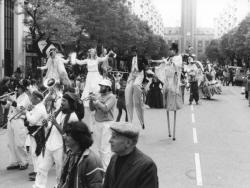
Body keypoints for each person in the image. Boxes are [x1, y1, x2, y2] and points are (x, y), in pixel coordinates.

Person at [33, 92, 82, 188]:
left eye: (64, 101)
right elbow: (51, 128)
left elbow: (68, 134)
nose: (62, 103)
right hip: (49, 144)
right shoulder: (59, 111)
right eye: (62, 100)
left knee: (60, 172)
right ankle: (38, 186)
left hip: (60, 147)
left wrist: (55, 123)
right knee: (42, 168)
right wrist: (47, 124)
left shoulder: (73, 117)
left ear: (70, 103)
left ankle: (59, 186)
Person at [103, 122, 158, 188]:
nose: (110, 140)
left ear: (128, 143)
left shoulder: (146, 166)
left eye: (114, 137)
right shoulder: (114, 159)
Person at [151, 43, 183, 140]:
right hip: (167, 81)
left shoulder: (178, 57)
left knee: (173, 95)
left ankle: (173, 133)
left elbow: (177, 65)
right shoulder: (169, 58)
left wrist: (170, 62)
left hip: (174, 80)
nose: (171, 51)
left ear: (175, 50)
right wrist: (154, 62)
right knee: (166, 98)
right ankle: (169, 131)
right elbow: (162, 62)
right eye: (170, 50)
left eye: (172, 50)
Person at [58, 121, 104, 188]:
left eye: (68, 135)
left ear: (77, 138)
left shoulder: (92, 160)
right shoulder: (70, 155)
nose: (64, 137)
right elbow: (66, 182)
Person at [89, 78, 116, 170]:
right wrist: (91, 100)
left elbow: (105, 108)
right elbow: (92, 109)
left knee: (105, 148)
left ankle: (106, 170)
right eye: (100, 86)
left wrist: (96, 101)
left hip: (107, 124)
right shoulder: (98, 95)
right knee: (100, 148)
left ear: (108, 87)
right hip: (98, 123)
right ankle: (102, 168)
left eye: (103, 86)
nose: (100, 87)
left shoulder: (112, 97)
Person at [6, 80, 31, 170]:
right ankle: (14, 162)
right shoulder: (13, 95)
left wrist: (12, 101)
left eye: (19, 87)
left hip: (19, 120)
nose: (17, 89)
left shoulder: (26, 97)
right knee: (11, 143)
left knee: (19, 143)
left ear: (23, 88)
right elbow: (6, 106)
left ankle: (24, 162)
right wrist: (5, 101)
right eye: (17, 87)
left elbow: (21, 108)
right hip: (10, 120)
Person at [25, 91, 48, 181]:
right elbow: (31, 118)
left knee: (37, 152)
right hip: (33, 131)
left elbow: (33, 120)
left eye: (33, 98)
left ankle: (40, 173)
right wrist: (30, 111)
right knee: (33, 152)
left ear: (38, 99)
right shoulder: (37, 106)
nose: (31, 99)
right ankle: (36, 170)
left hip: (38, 131)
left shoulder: (40, 108)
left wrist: (27, 112)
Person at [125, 46, 149, 129]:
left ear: (136, 52)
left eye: (134, 51)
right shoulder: (129, 58)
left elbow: (146, 63)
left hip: (139, 74)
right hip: (132, 75)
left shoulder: (141, 57)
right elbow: (121, 58)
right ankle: (129, 122)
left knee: (135, 85)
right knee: (128, 93)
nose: (133, 53)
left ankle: (140, 96)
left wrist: (145, 67)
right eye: (132, 52)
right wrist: (112, 55)